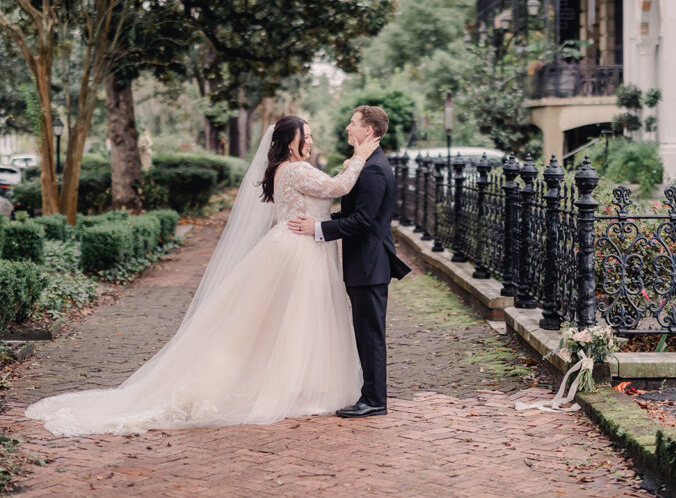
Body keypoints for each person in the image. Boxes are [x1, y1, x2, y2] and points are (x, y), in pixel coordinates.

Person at [25, 116, 381, 435]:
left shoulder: (288, 169)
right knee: (292, 320)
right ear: (292, 141)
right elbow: (338, 188)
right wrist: (361, 157)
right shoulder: (295, 169)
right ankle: (285, 387)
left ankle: (296, 382)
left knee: (284, 322)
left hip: (296, 246)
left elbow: (329, 187)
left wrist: (352, 163)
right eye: (308, 135)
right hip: (299, 252)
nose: (312, 141)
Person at [289, 105, 410, 419]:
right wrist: (321, 220)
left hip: (370, 265)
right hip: (364, 264)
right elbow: (354, 215)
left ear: (367, 130)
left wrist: (318, 228)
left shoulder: (373, 168)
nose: (347, 127)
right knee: (366, 333)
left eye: (353, 123)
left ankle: (374, 400)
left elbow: (363, 221)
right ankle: (369, 395)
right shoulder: (368, 164)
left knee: (370, 335)